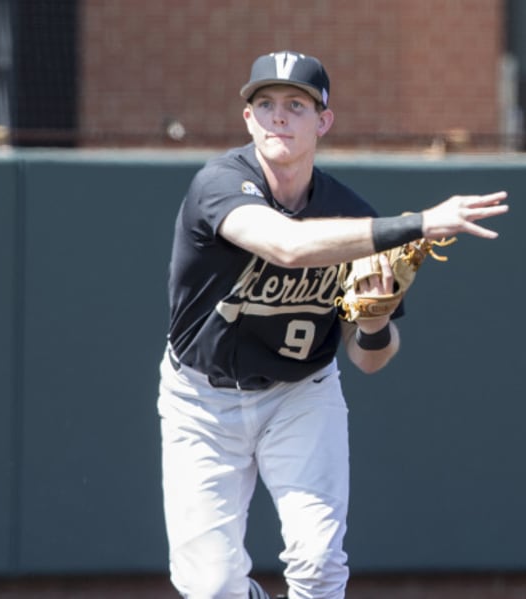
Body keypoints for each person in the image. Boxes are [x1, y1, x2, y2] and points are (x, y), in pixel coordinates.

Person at [157, 50, 508, 599]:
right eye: (265, 104)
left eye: (296, 105)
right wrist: (420, 223)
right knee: (209, 586)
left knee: (319, 564)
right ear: (247, 118)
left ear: (323, 121)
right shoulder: (220, 183)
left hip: (300, 395)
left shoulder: (350, 216)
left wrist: (374, 321)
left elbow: (370, 358)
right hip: (201, 400)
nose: (279, 117)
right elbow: (287, 246)